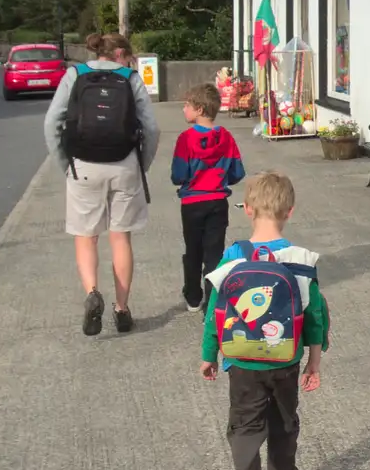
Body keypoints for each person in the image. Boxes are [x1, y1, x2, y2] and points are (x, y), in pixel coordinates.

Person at [200, 171, 328, 470]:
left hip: (241, 361)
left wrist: (210, 354)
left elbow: (215, 313)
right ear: (290, 211)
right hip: (285, 361)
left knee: (244, 421)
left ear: (249, 210)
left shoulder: (233, 256)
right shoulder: (302, 260)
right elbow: (314, 315)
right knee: (284, 420)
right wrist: (314, 360)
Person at [44, 32, 160, 336]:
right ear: (120, 54)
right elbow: (151, 127)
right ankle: (122, 309)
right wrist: (140, 165)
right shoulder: (130, 78)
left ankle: (93, 293)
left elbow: (51, 124)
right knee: (120, 237)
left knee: (86, 236)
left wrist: (65, 164)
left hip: (83, 165)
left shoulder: (74, 74)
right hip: (125, 164)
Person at [171, 83, 246, 311]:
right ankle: (212, 299)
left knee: (193, 249)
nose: (184, 109)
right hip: (217, 201)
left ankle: (193, 296)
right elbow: (237, 171)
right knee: (214, 251)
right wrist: (221, 180)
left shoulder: (185, 139)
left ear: (200, 109)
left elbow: (178, 174)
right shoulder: (226, 138)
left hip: (192, 203)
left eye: (187, 105)